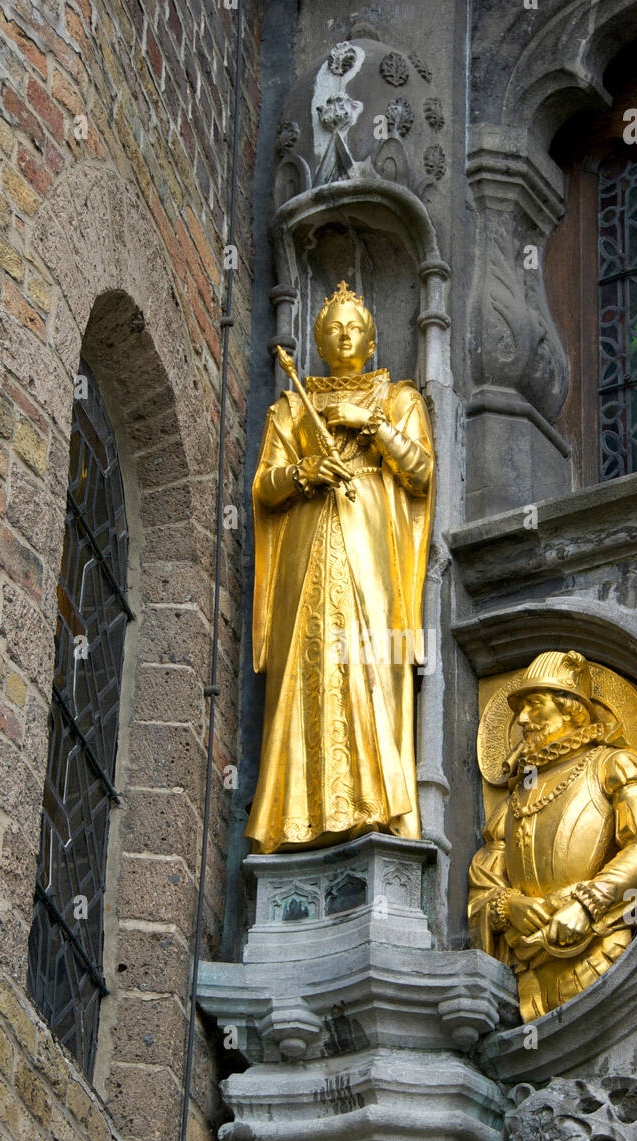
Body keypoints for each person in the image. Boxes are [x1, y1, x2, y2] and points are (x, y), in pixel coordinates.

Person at [247, 282, 435, 854]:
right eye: (333, 328)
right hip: (306, 552)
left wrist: (370, 423)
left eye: (355, 326)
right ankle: (291, 819)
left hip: (373, 554)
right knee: (306, 668)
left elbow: (421, 474)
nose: (345, 334)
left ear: (374, 338)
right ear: (320, 342)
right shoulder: (291, 405)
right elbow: (264, 486)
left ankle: (376, 808)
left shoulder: (398, 398)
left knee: (372, 665)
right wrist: (304, 473)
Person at [468, 650, 637, 1021]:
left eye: (534, 704)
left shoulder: (615, 765)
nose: (524, 720)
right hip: (527, 978)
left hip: (600, 954)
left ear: (571, 708)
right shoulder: (514, 799)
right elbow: (485, 882)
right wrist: (507, 907)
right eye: (519, 711)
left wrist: (585, 904)